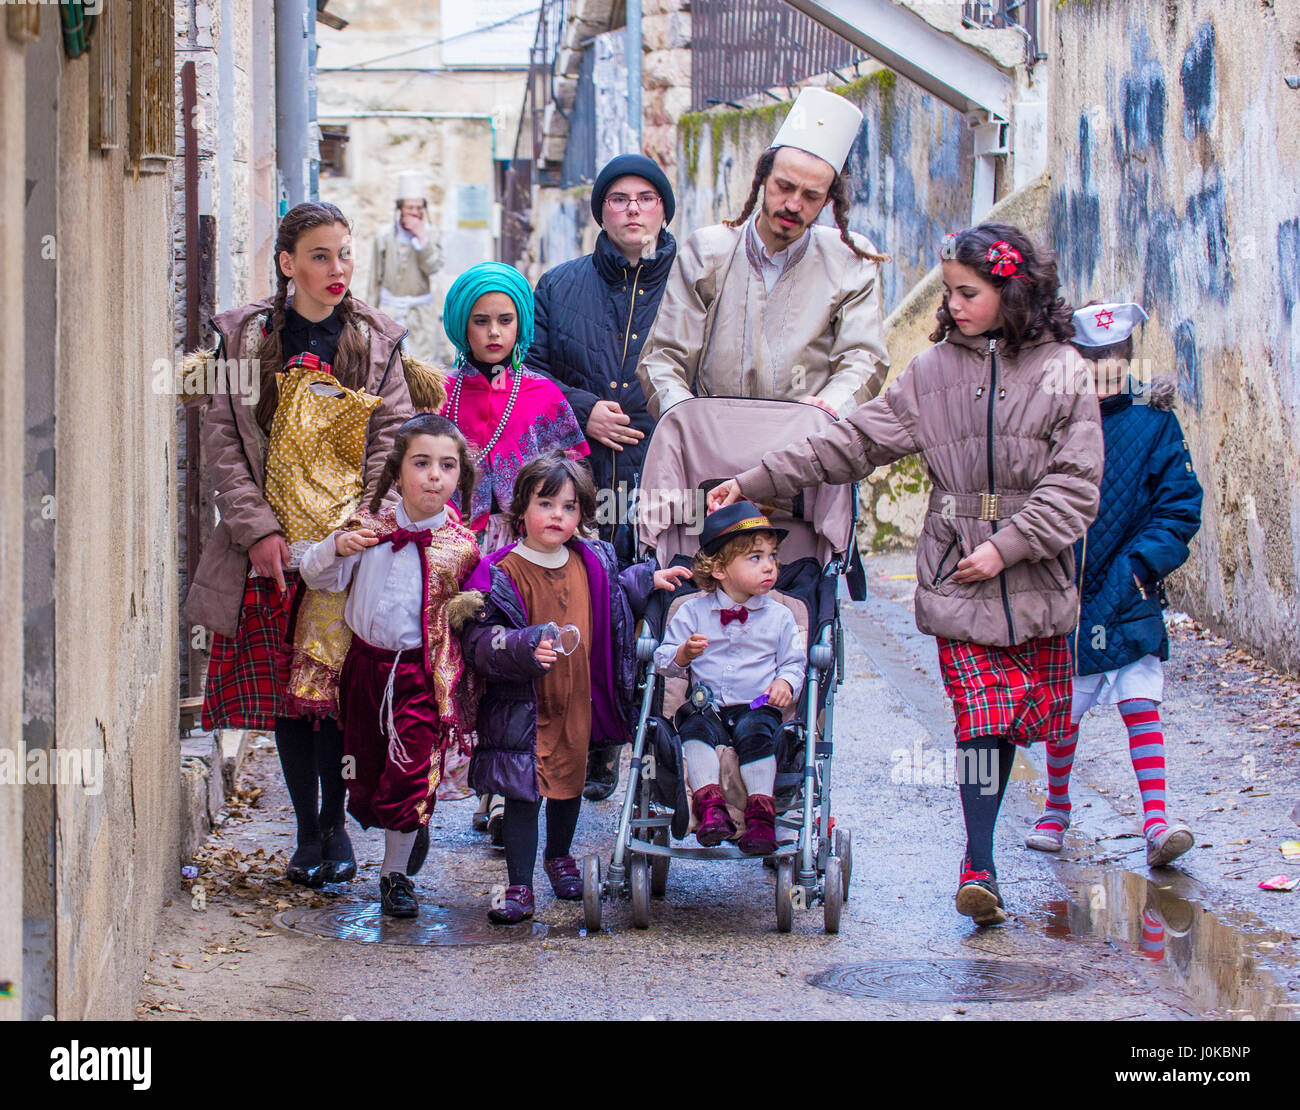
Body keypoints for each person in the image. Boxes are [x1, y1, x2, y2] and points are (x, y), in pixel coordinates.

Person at [710, 224, 1104, 926]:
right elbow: (853, 442)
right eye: (948, 291)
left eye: (967, 292)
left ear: (1010, 291)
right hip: (957, 570)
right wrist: (752, 480)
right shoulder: (931, 374)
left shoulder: (1065, 369)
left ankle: (982, 854)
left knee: (1011, 724)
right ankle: (978, 862)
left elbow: (1076, 485)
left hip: (1037, 571)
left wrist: (1010, 545)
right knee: (978, 721)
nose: (951, 305)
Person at [185, 201, 416, 889]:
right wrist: (261, 533)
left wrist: (357, 531)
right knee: (292, 698)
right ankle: (308, 829)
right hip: (272, 555)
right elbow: (223, 443)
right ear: (288, 265)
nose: (337, 268)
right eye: (320, 255)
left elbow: (392, 440)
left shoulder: (376, 340)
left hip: (348, 548)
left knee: (336, 692)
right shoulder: (246, 339)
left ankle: (339, 824)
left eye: (344, 253)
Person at [457, 454, 690, 924]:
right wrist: (522, 647)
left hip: (577, 698)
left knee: (568, 783)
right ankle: (519, 883)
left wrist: (650, 578)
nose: (557, 516)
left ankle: (559, 857)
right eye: (546, 504)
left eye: (569, 507)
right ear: (520, 508)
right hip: (522, 705)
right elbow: (478, 639)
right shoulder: (498, 571)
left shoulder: (592, 560)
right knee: (523, 795)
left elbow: (619, 590)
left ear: (583, 514)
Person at [1024, 302, 1203, 867]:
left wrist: (1140, 568)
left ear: (1126, 357)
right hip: (1066, 586)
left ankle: (1156, 821)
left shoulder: (1156, 424)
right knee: (1065, 707)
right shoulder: (1053, 423)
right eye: (1093, 358)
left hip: (1130, 588)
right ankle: (1055, 809)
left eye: (1114, 357)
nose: (1105, 368)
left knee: (1140, 696)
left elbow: (1179, 506)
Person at [531, 152, 678, 801]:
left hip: (663, 479)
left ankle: (639, 745)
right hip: (579, 482)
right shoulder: (559, 286)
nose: (632, 210)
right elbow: (528, 373)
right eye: (619, 199)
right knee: (579, 612)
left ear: (665, 209)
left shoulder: (694, 288)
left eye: (646, 198)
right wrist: (584, 410)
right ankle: (579, 743)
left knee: (650, 613)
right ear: (601, 212)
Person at [300, 414, 481, 917]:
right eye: (421, 463)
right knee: (365, 767)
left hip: (421, 675)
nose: (433, 476)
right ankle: (393, 827)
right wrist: (336, 546)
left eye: (446, 466)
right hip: (364, 668)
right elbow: (317, 576)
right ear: (398, 471)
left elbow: (472, 613)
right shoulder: (368, 527)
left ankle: (394, 875)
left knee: (411, 770)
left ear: (458, 477)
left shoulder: (462, 547)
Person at [637, 86, 889, 421]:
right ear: (763, 179)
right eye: (784, 187)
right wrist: (687, 419)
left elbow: (863, 359)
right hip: (714, 440)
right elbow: (664, 358)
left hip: (808, 447)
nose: (793, 204)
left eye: (810, 195)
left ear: (828, 200)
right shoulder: (708, 251)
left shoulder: (850, 261)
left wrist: (827, 410)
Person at [653, 502, 806, 855]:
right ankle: (711, 809)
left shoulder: (780, 617)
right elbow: (662, 660)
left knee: (758, 734)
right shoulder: (691, 610)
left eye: (772, 556)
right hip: (710, 708)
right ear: (719, 568)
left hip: (757, 706)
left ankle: (761, 816)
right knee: (692, 729)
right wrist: (683, 655)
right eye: (755, 558)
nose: (770, 566)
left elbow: (794, 663)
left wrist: (785, 683)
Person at [440, 262, 590, 554]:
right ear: (462, 324)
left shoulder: (544, 394)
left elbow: (575, 473)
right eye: (481, 321)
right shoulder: (441, 392)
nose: (494, 332)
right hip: (449, 539)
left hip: (531, 543)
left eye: (505, 321)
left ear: (520, 323)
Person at [370, 172, 442, 363]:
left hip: (420, 314)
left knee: (424, 365)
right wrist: (370, 316)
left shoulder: (431, 234)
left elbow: (433, 267)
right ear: (400, 209)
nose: (415, 212)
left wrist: (421, 239)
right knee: (390, 363)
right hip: (391, 311)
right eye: (410, 207)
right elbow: (374, 279)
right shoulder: (384, 236)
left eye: (419, 207)